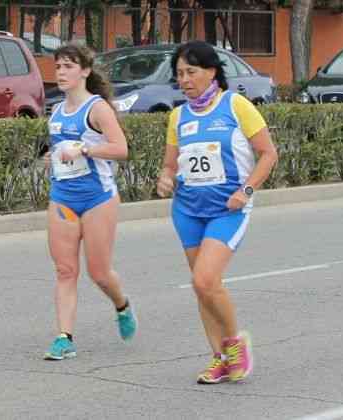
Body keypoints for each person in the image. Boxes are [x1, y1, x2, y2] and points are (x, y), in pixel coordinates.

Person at [156, 41, 278, 384]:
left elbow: (268, 154)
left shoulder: (236, 106)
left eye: (191, 72)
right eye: (179, 74)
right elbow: (169, 166)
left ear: (212, 71)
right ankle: (219, 358)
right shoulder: (178, 116)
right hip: (188, 210)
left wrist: (247, 190)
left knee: (204, 280)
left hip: (228, 209)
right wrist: (165, 179)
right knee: (203, 288)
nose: (185, 79)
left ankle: (234, 344)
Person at [43, 43, 137, 360]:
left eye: (68, 66)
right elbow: (62, 150)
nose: (61, 72)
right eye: (58, 67)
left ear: (84, 71)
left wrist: (85, 149)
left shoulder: (97, 109)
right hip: (62, 197)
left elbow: (121, 149)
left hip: (98, 198)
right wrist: (53, 158)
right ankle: (63, 337)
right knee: (65, 271)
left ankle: (122, 305)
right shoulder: (56, 113)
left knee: (99, 273)